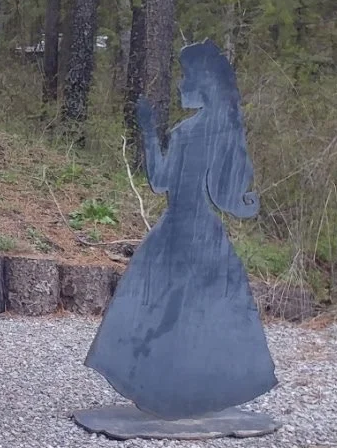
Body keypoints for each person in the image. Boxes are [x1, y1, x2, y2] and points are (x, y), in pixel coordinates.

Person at [86, 41, 277, 418]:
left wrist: (150, 132)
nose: (180, 84)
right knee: (174, 311)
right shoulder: (193, 131)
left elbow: (198, 188)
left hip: (188, 236)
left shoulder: (210, 132)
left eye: (187, 76)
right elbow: (163, 182)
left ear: (205, 83)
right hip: (186, 233)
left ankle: (178, 390)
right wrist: (148, 130)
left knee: (176, 311)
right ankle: (173, 391)